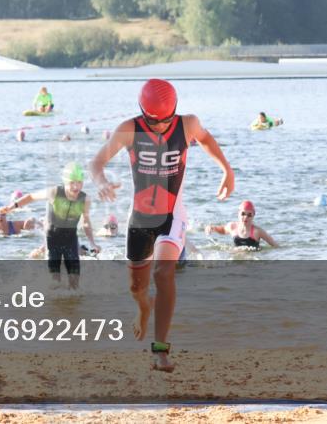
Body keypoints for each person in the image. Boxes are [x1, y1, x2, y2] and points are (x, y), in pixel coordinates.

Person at [90, 78, 234, 372]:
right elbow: (96, 163)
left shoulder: (188, 124)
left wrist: (227, 170)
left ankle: (160, 351)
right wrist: (101, 181)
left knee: (164, 272)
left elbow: (206, 140)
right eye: (152, 122)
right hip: (140, 218)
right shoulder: (128, 129)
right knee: (137, 288)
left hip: (172, 215)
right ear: (142, 113)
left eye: (165, 121)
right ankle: (144, 309)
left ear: (175, 111)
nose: (159, 126)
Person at [2, 162, 100, 289]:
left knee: (75, 283)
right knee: (55, 282)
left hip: (70, 239)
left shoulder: (85, 199)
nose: (76, 187)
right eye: (72, 183)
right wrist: (12, 207)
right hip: (52, 239)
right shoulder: (54, 192)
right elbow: (31, 197)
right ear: (65, 182)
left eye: (79, 182)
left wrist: (92, 243)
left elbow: (86, 222)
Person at [205, 200, 278, 249]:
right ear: (238, 214)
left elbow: (275, 245)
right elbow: (223, 230)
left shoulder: (257, 231)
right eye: (243, 214)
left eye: (249, 215)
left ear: (253, 215)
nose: (245, 217)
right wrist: (212, 228)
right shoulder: (232, 227)